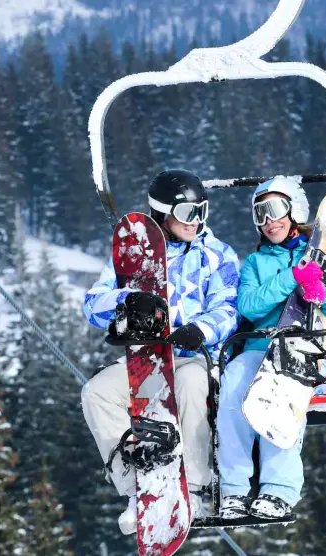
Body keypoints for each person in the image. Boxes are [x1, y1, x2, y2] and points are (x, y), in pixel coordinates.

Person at [81, 169, 241, 535]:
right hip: (147, 359)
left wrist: (200, 329)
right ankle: (137, 487)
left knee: (191, 385)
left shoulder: (217, 255)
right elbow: (92, 305)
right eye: (187, 213)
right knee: (97, 393)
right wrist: (127, 300)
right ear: (162, 212)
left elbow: (229, 309)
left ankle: (195, 488)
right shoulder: (133, 258)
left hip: (197, 356)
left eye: (202, 211)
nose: (195, 221)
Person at [216, 176, 326, 520]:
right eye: (260, 214)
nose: (269, 221)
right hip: (260, 348)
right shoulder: (255, 263)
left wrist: (322, 295)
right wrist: (291, 279)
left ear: (294, 209)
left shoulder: (323, 256)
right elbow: (249, 305)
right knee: (235, 381)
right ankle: (234, 488)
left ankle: (279, 489)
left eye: (275, 210)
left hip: (310, 348)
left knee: (284, 384)